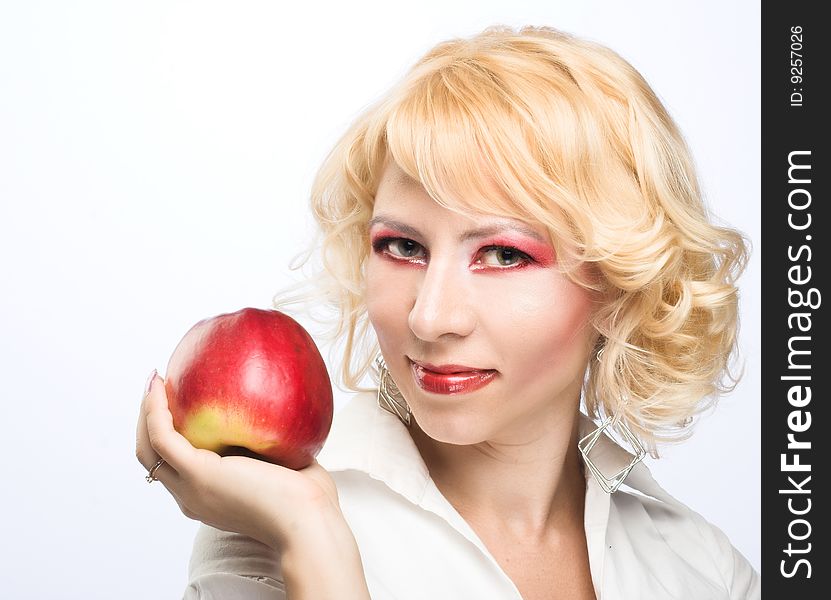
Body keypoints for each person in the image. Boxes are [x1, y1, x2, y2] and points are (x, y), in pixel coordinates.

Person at [136, 25, 760, 599]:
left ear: (622, 284)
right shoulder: (267, 531)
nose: (430, 319)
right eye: (403, 247)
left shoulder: (702, 571)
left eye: (504, 255)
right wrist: (315, 545)